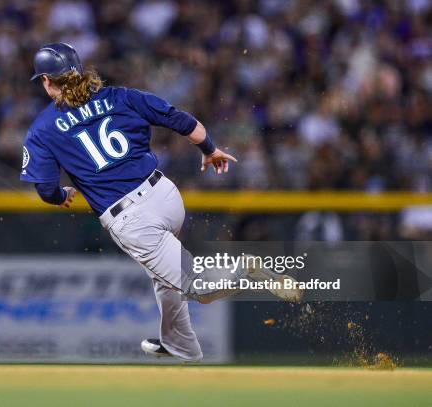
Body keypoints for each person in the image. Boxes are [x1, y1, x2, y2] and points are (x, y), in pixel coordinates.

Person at [22, 43, 301, 361]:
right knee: (164, 277)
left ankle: (246, 269)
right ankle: (180, 344)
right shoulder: (120, 96)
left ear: (47, 80)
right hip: (166, 195)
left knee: (197, 287)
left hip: (132, 218)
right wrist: (209, 150)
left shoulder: (41, 129)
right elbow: (180, 120)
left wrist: (62, 196)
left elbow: (46, 189)